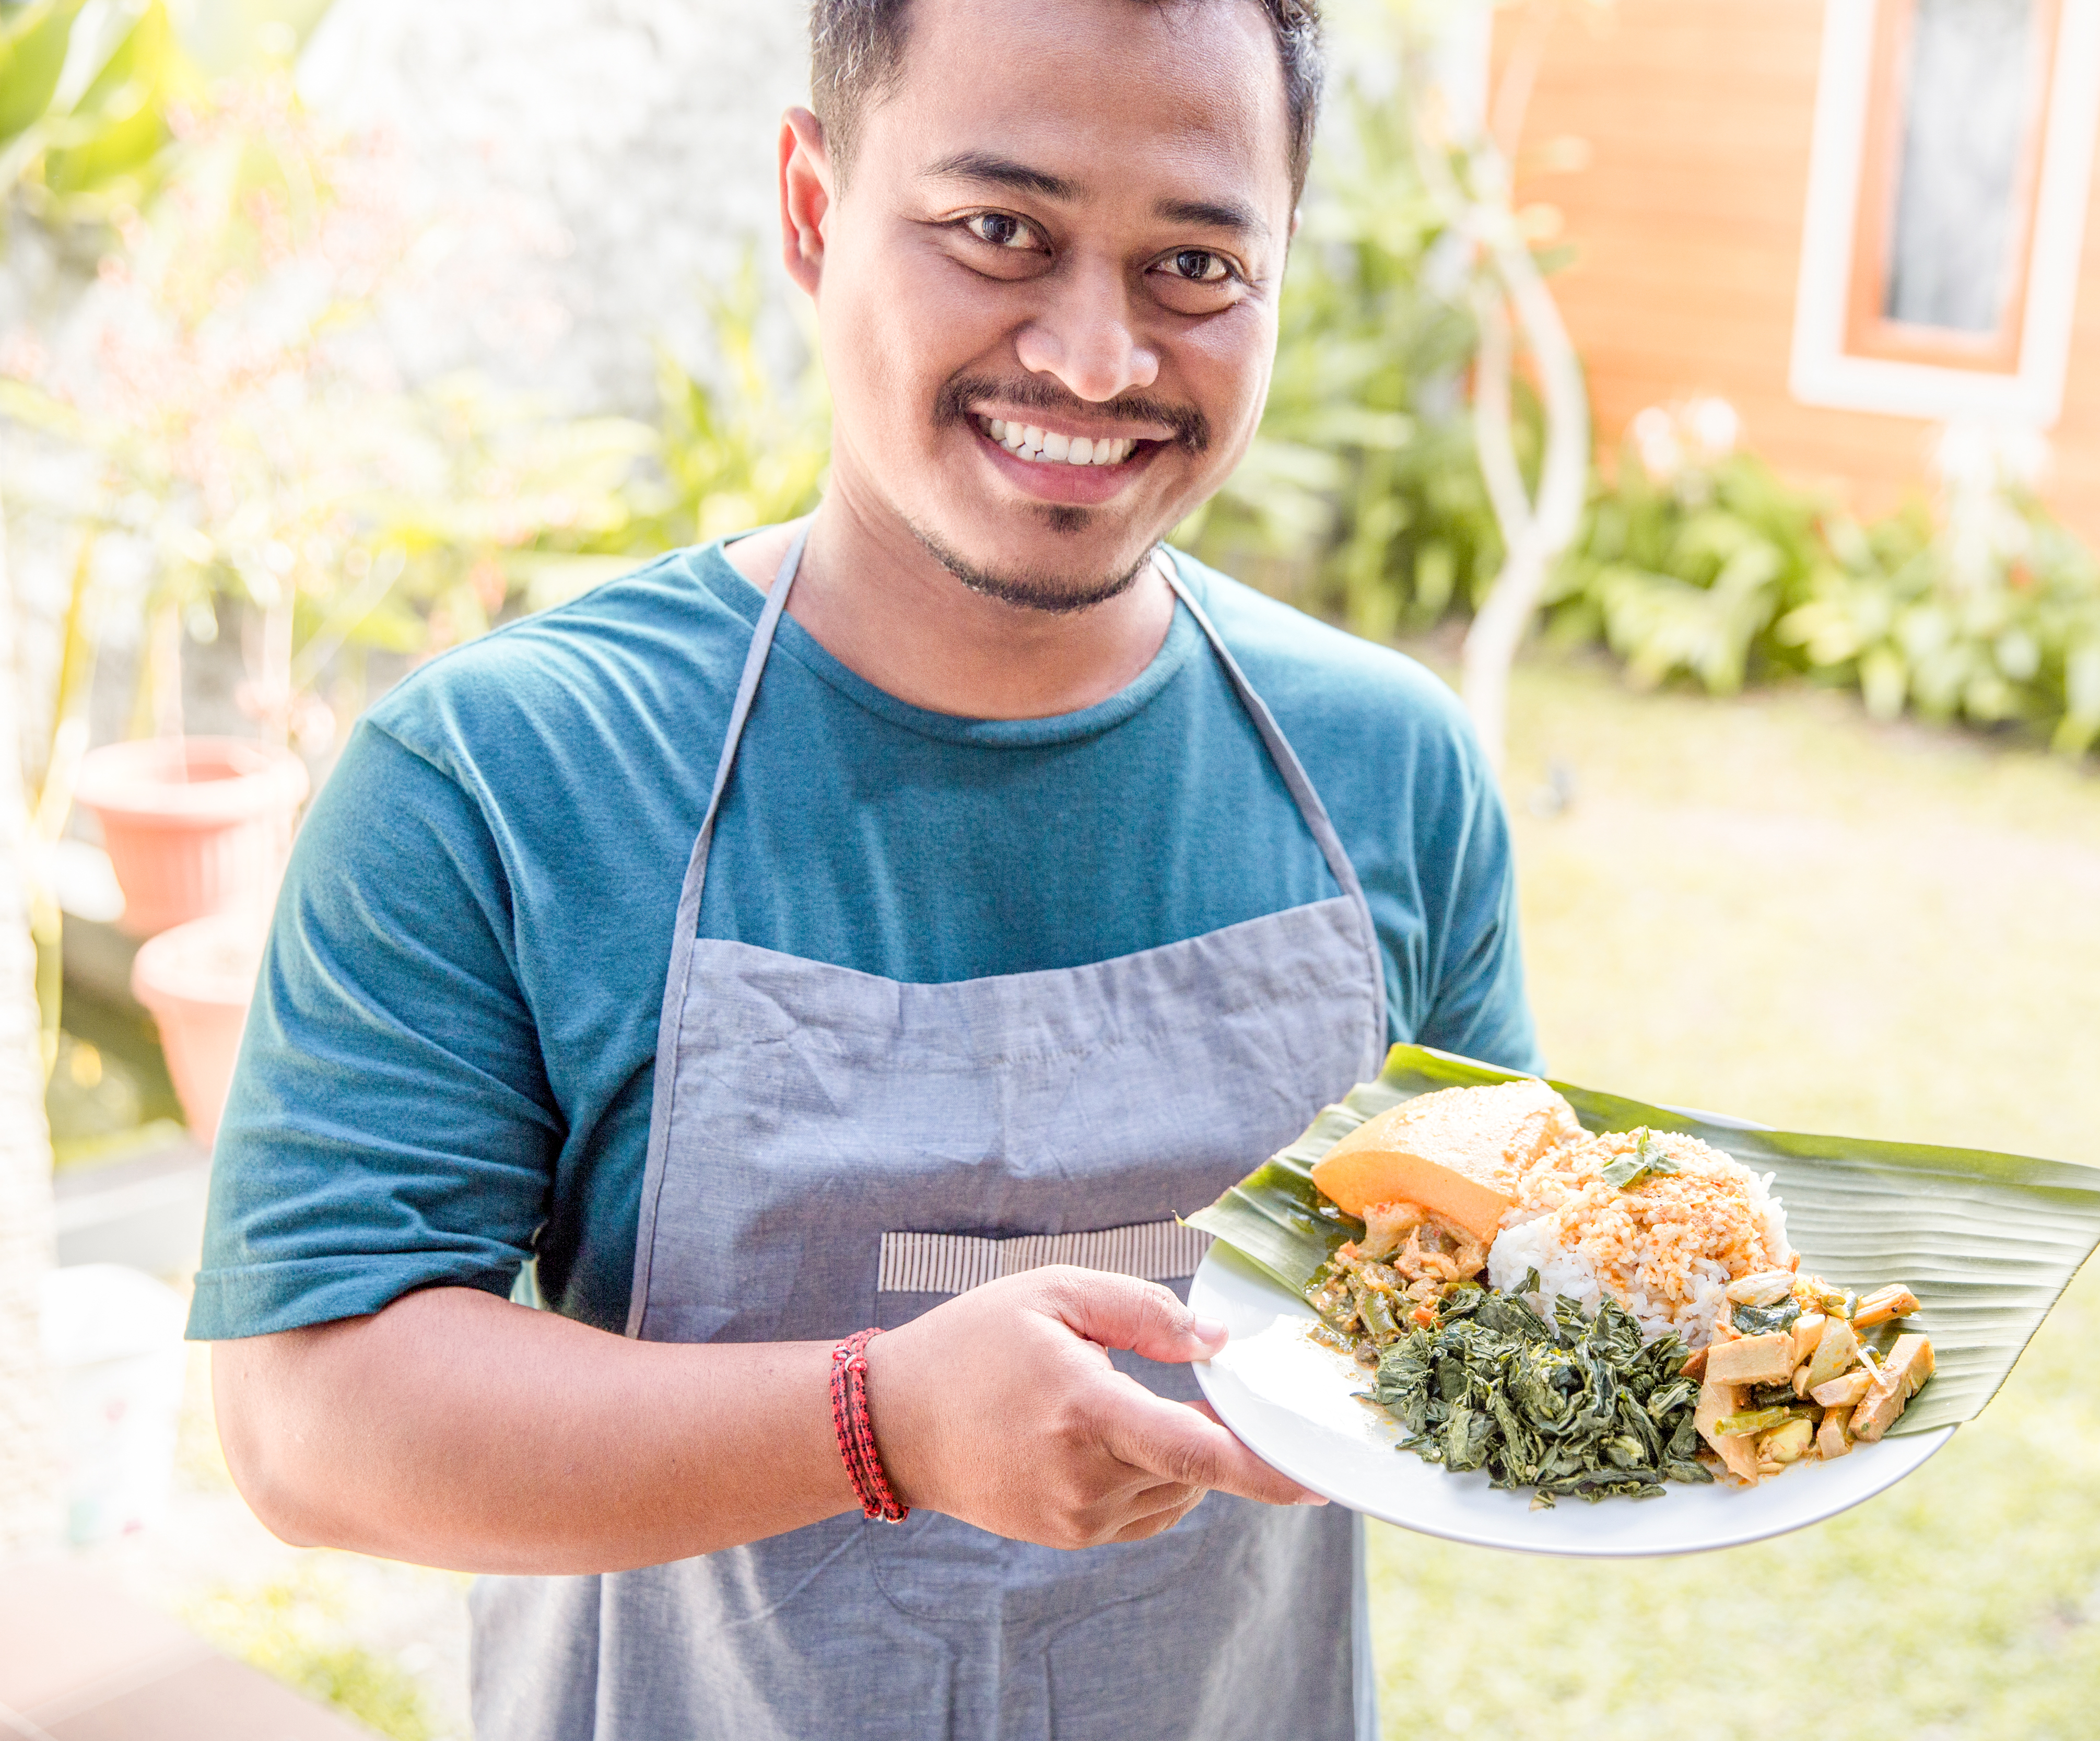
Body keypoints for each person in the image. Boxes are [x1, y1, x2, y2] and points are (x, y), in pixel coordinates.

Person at [190, 0, 1537, 1732]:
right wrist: (879, 1419)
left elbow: (1492, 1285)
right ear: (814, 213)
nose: (1098, 358)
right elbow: (310, 1421)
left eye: (1196, 265)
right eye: (1000, 232)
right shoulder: (509, 776)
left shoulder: (1390, 770)